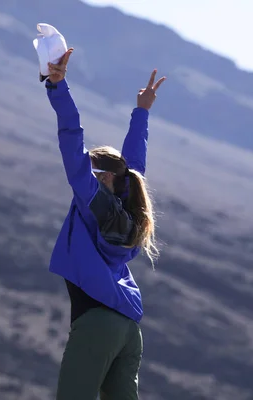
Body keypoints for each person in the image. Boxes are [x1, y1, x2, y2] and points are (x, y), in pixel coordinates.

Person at [44, 48, 166, 400]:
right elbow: (134, 167)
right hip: (129, 331)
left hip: (96, 324)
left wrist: (58, 87)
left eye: (89, 169)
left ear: (100, 176)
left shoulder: (93, 201)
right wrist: (141, 113)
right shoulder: (131, 211)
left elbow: (71, 135)